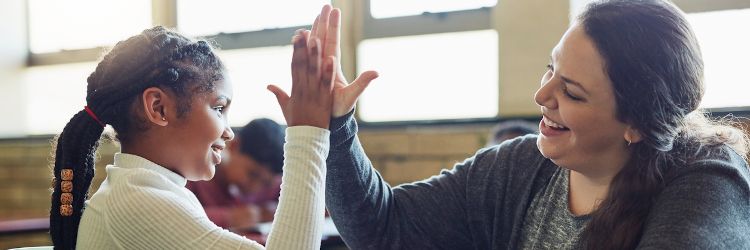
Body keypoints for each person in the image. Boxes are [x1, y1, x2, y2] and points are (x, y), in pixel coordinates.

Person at [306, 1, 750, 249]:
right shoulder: (518, 168)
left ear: (636, 123)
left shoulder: (706, 180)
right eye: (549, 69)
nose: (542, 96)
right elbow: (383, 229)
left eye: (572, 92)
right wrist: (337, 126)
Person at [49, 25, 336, 249]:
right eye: (219, 108)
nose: (228, 131)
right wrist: (307, 132)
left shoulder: (152, 190)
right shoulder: (139, 202)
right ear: (159, 108)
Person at [187, 118, 285, 230]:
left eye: (266, 183)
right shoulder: (194, 172)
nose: (254, 188)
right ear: (234, 146)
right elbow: (177, 215)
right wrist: (229, 217)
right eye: (252, 174)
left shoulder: (274, 182)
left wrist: (278, 210)